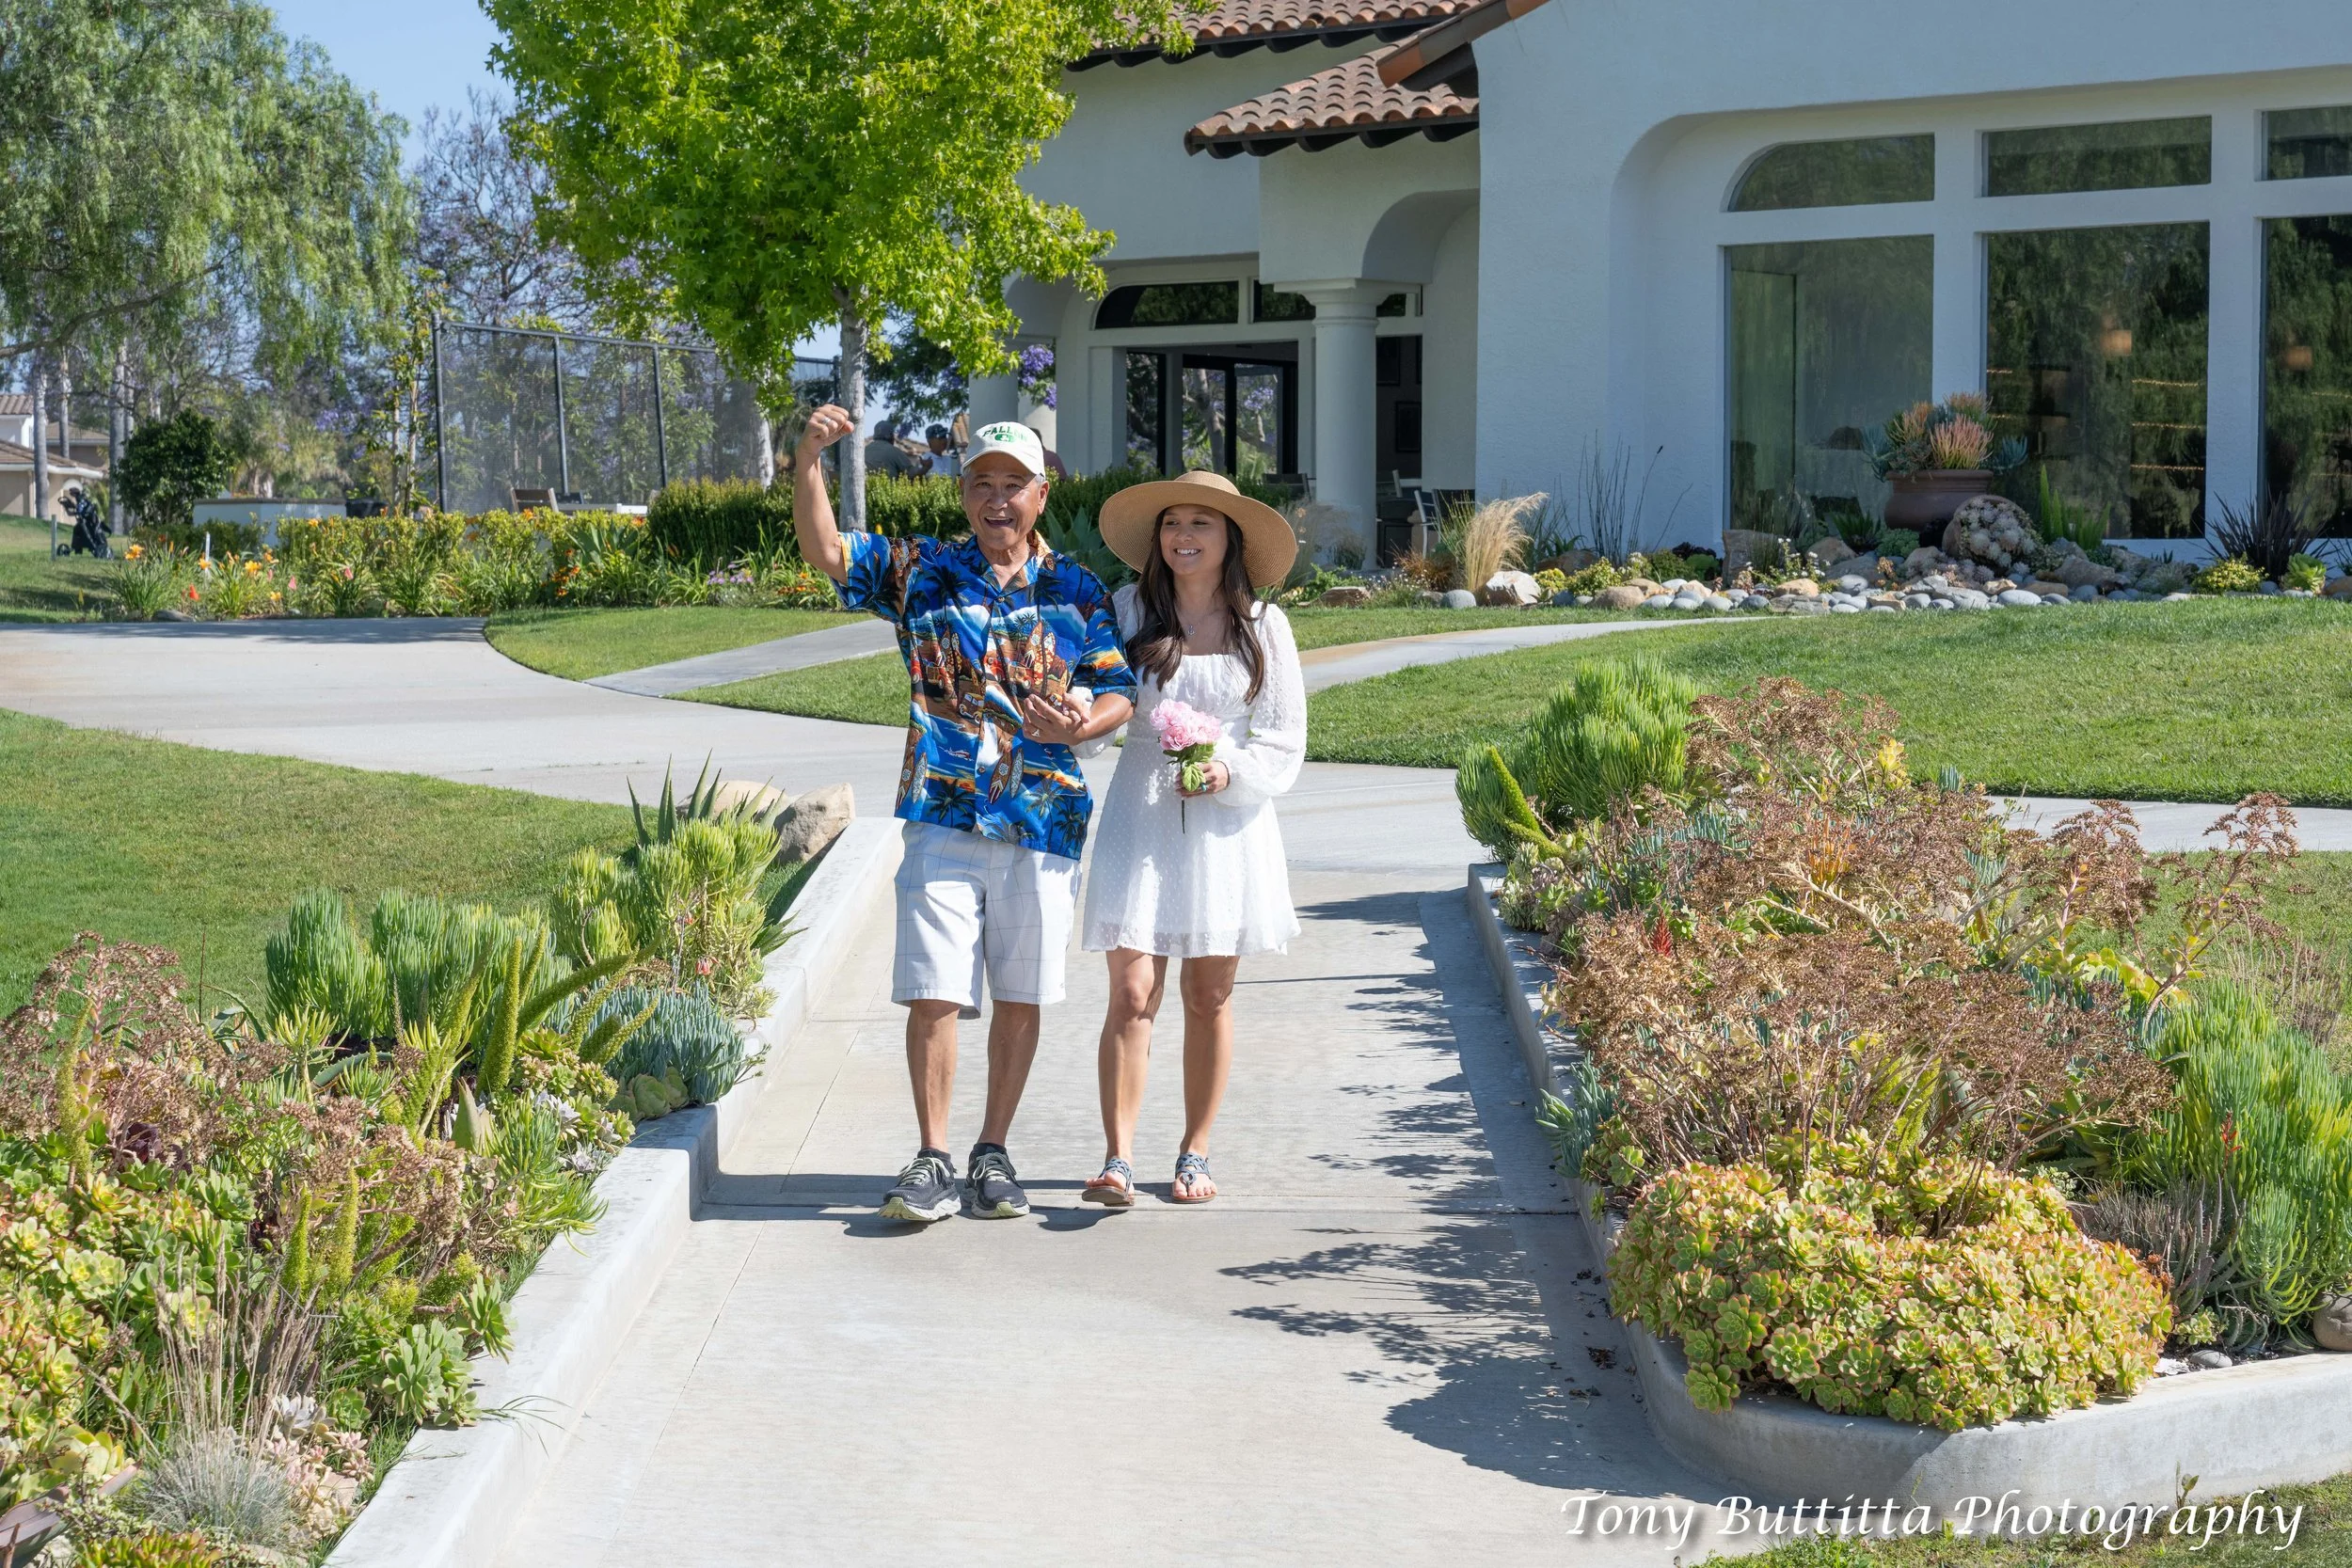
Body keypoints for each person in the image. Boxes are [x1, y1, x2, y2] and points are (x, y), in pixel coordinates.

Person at [791, 407, 1136, 1224]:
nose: (996, 498)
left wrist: (1082, 725)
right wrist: (808, 460)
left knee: (1021, 995)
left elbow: (1118, 685)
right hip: (943, 812)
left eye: (1012, 485)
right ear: (962, 491)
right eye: (981, 482)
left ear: (1041, 495)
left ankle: (993, 1153)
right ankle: (934, 1158)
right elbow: (828, 552)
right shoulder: (922, 569)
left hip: (1040, 818)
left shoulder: (1076, 589)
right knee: (934, 991)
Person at [1077, 470, 1305, 1207]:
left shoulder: (1264, 625)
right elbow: (1099, 706)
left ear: (1230, 537)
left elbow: (1282, 743)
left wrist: (1225, 772)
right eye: (1172, 523)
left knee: (1207, 993)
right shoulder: (1125, 609)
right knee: (1132, 987)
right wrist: (1072, 720)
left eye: (1200, 524)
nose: (1182, 536)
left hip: (1226, 826)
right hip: (1141, 811)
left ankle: (1195, 1153)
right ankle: (1117, 1158)